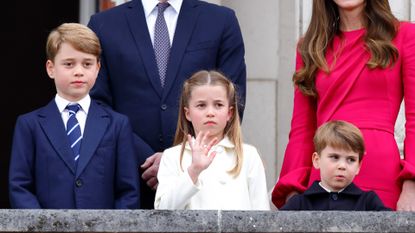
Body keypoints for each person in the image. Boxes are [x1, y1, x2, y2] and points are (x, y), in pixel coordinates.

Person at [87, 0, 246, 209]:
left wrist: (177, 158)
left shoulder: (221, 21)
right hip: (128, 181)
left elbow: (231, 98)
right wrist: (145, 158)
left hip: (203, 183)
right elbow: (96, 105)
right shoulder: (103, 24)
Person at [272, 0, 415, 211]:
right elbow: (302, 129)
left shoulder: (405, 35)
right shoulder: (310, 47)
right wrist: (293, 189)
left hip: (381, 174)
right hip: (324, 178)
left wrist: (411, 184)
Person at [8, 23, 139, 209]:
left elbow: (128, 192)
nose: (79, 71)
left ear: (98, 68)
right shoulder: (29, 125)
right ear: (50, 68)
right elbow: (20, 186)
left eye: (87, 64)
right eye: (69, 64)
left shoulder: (117, 125)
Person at [154, 70, 269, 210]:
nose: (210, 112)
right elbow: (162, 211)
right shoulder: (172, 156)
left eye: (218, 105)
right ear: (188, 113)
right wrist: (193, 171)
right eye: (201, 105)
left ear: (229, 113)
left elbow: (262, 214)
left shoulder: (248, 156)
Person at [280, 120, 390, 211]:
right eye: (335, 157)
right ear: (317, 160)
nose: (342, 166)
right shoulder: (300, 203)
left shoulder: (368, 201)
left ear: (358, 166)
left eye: (351, 160)